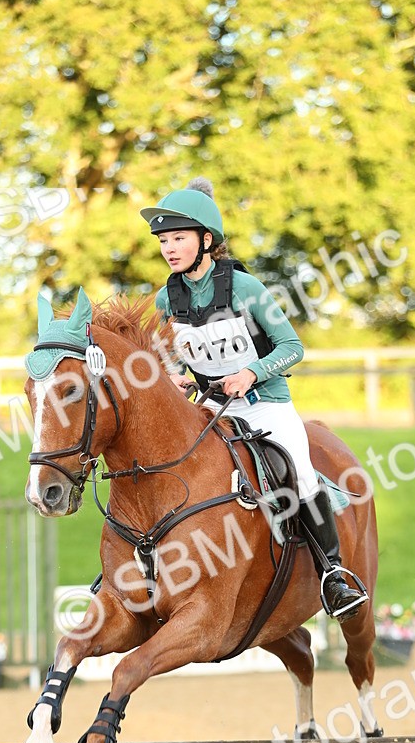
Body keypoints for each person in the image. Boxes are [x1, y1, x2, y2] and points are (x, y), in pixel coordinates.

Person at [140, 177, 368, 620]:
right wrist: (174, 376)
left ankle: (332, 574)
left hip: (265, 403)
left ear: (207, 241)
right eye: (164, 241)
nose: (169, 248)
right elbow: (165, 355)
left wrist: (251, 372)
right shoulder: (168, 298)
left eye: (179, 239)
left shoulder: (245, 289)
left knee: (300, 475)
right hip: (210, 409)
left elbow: (292, 347)